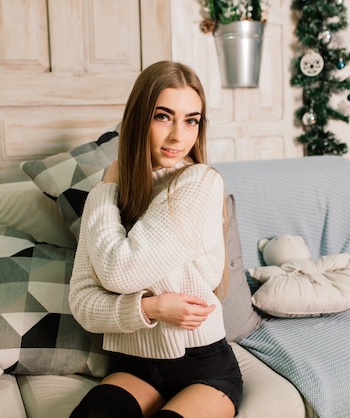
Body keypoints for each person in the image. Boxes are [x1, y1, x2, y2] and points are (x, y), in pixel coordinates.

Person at [68, 60, 243, 418]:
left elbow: (121, 273)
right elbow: (83, 304)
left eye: (191, 120)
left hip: (203, 368)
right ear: (139, 119)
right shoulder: (108, 197)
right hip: (132, 366)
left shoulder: (200, 182)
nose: (179, 135)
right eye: (164, 116)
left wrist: (104, 189)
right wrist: (151, 308)